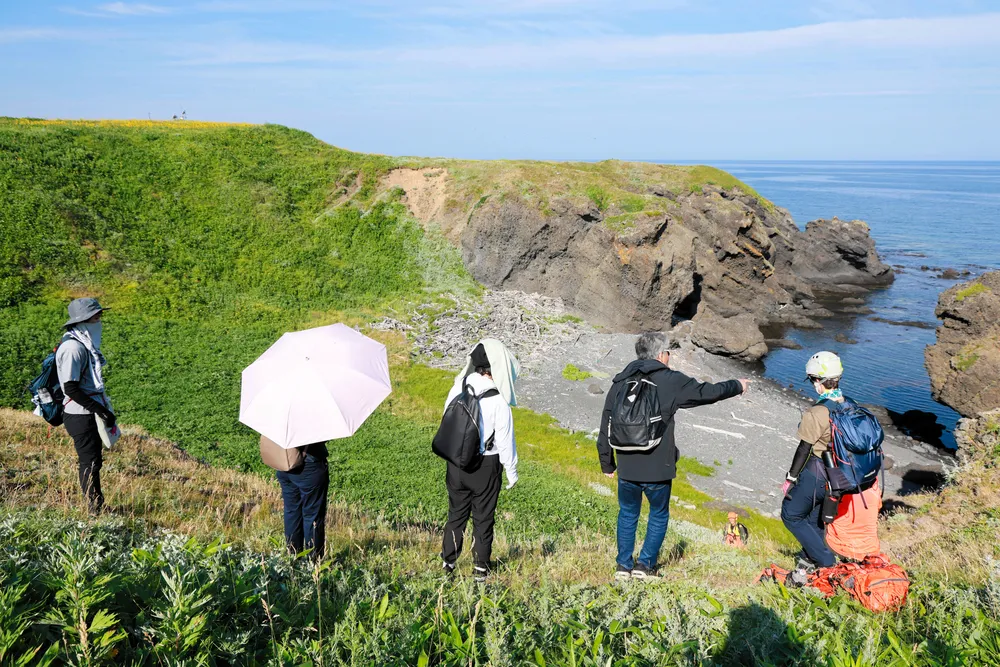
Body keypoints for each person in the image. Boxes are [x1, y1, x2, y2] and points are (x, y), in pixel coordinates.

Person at [597, 332, 749, 581]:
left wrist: (607, 462)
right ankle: (644, 566)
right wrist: (737, 385)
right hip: (658, 466)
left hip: (626, 465)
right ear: (660, 355)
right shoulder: (669, 380)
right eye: (668, 352)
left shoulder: (620, 381)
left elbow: (607, 423)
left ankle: (623, 567)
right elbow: (707, 392)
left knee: (627, 514)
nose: (669, 357)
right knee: (658, 514)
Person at [781, 351, 873, 574]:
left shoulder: (818, 412)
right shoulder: (850, 404)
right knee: (815, 519)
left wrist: (790, 478)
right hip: (844, 475)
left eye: (812, 380)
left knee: (791, 514)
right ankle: (808, 561)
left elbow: (804, 449)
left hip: (819, 471)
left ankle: (826, 562)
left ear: (818, 381)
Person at [441, 340, 519, 582]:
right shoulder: (499, 400)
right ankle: (480, 571)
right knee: (483, 519)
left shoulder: (458, 387)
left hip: (456, 463)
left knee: (456, 515)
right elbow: (506, 443)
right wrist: (512, 472)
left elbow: (446, 418)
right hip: (486, 464)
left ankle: (448, 565)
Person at [56, 297, 116, 513]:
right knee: (89, 463)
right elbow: (70, 388)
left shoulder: (82, 343)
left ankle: (97, 505)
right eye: (95, 317)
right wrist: (101, 410)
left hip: (86, 411)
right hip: (80, 414)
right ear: (83, 321)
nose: (99, 321)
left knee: (93, 462)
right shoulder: (74, 348)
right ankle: (95, 509)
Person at [275, 441, 330, 559]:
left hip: (284, 463)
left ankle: (293, 557)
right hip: (309, 466)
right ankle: (314, 562)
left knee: (292, 512)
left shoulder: (282, 422)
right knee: (313, 516)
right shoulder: (310, 422)